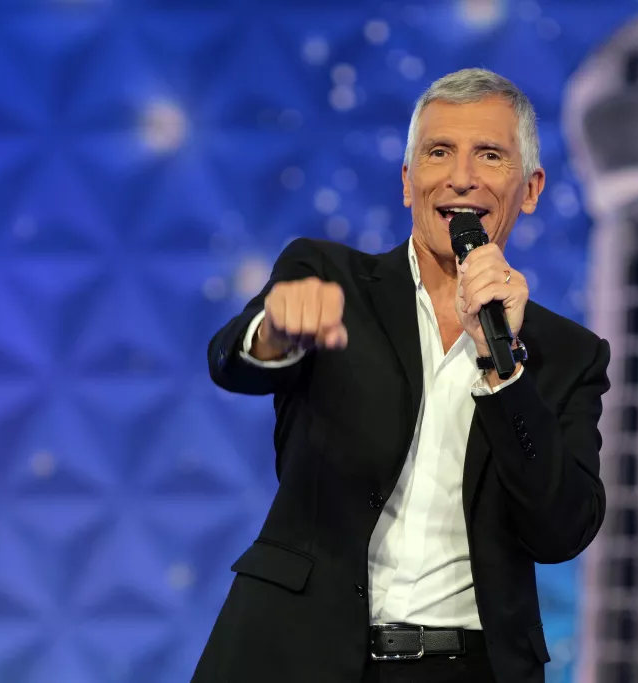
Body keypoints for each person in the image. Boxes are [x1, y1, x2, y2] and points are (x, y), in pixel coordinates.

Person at [194, 68, 611, 683]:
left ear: (530, 188)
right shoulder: (330, 276)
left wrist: (504, 370)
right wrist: (274, 334)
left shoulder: (567, 355)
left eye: (489, 155)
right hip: (293, 652)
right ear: (408, 181)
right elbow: (231, 361)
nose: (461, 177)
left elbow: (562, 530)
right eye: (439, 152)